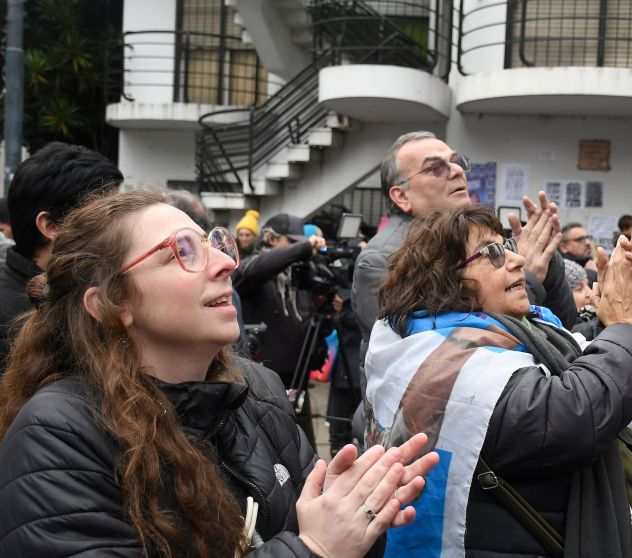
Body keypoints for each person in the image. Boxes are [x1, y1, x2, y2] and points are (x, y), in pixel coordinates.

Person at [0, 189, 438, 556]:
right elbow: (311, 544)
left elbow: (321, 532)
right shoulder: (57, 434)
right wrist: (314, 548)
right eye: (182, 252)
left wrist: (355, 517)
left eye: (213, 244)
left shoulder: (257, 389)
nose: (226, 263)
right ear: (112, 305)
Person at [365, 205, 632, 557]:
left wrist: (628, 316)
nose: (517, 260)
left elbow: (609, 380)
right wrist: (626, 327)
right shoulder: (444, 360)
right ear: (444, 279)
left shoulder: (530, 329)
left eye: (508, 246)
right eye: (493, 253)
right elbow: (574, 414)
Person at [353, 132, 576, 430]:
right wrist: (530, 279)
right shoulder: (383, 259)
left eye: (457, 162)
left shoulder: (478, 240)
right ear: (401, 196)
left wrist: (549, 260)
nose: (457, 170)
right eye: (436, 168)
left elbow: (564, 325)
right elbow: (447, 353)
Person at [0, 142, 122, 369]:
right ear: (51, 226)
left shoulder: (83, 292)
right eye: (104, 216)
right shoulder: (12, 317)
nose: (118, 228)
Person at [235, 212, 328, 447]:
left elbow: (309, 325)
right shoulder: (257, 269)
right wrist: (304, 248)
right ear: (271, 238)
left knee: (305, 451)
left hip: (298, 382)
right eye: (293, 243)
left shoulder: (298, 275)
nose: (299, 249)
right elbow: (251, 270)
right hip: (264, 386)